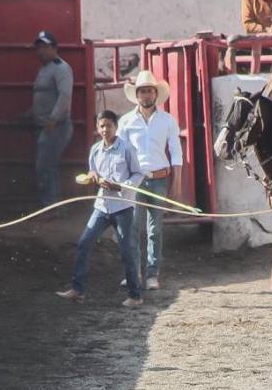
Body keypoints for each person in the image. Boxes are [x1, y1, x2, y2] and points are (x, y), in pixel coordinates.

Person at [56, 110, 144, 307]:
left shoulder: (127, 149)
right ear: (98, 128)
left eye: (109, 125)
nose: (105, 129)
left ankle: (135, 296)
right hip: (102, 206)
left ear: (116, 127)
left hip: (123, 207)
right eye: (102, 126)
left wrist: (120, 185)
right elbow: (92, 170)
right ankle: (78, 290)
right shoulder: (95, 150)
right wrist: (92, 176)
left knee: (126, 250)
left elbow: (138, 174)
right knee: (84, 243)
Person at [118, 71, 183, 290]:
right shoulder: (126, 122)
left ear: (156, 94)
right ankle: (133, 271)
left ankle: (152, 274)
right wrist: (121, 182)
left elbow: (176, 151)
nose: (146, 95)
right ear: (137, 95)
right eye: (143, 91)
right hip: (136, 181)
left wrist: (177, 182)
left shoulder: (167, 120)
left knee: (155, 229)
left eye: (150, 91)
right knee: (133, 227)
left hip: (159, 179)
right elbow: (121, 154)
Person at [26, 30, 73, 208]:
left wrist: (53, 119)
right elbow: (43, 97)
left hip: (56, 126)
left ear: (54, 48)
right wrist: (30, 114)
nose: (40, 51)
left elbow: (64, 97)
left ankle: (51, 207)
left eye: (45, 47)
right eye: (38, 48)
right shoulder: (44, 69)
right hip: (45, 126)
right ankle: (52, 207)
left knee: (45, 167)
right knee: (47, 166)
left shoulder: (61, 68)